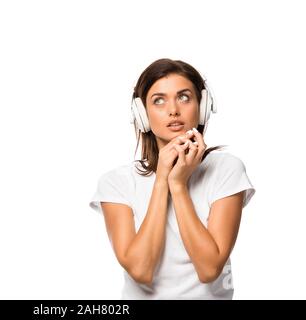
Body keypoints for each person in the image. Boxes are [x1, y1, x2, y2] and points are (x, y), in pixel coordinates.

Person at [89, 58, 256, 299]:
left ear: (203, 105)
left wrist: (178, 185)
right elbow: (141, 270)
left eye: (184, 97)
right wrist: (162, 181)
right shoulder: (116, 183)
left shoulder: (226, 169)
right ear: (142, 114)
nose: (173, 110)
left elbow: (209, 269)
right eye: (159, 100)